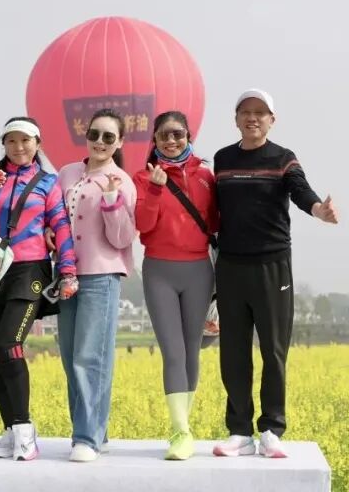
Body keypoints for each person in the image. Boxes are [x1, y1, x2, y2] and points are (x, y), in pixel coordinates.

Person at [211, 89, 338, 459]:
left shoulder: (283, 158)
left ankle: (271, 430)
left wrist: (318, 209)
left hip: (272, 265)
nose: (252, 118)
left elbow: (300, 190)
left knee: (273, 350)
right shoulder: (222, 159)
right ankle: (239, 431)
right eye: (245, 112)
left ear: (272, 120)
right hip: (230, 265)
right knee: (233, 352)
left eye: (260, 113)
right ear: (236, 119)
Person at [0, 117, 79, 461]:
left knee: (9, 344)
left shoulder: (48, 183)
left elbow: (61, 225)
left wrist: (68, 271)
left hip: (29, 270)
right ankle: (9, 431)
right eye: (12, 141)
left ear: (37, 144)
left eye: (26, 140)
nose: (19, 147)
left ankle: (24, 430)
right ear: (4, 144)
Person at [132, 111, 217, 460]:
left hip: (199, 271)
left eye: (177, 134)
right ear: (154, 139)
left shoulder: (207, 176)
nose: (171, 141)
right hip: (159, 271)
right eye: (164, 135)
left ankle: (186, 426)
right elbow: (143, 225)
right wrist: (155, 188)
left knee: (192, 349)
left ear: (188, 136)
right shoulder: (142, 177)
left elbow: (217, 224)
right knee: (173, 352)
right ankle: (179, 431)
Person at [56, 108, 138, 462]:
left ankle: (86, 437)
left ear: (120, 142)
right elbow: (53, 216)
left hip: (101, 275)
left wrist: (111, 201)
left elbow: (122, 238)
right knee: (69, 356)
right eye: (94, 135)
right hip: (66, 274)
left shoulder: (122, 181)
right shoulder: (67, 173)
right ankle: (95, 433)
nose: (100, 142)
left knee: (91, 356)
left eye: (108, 137)